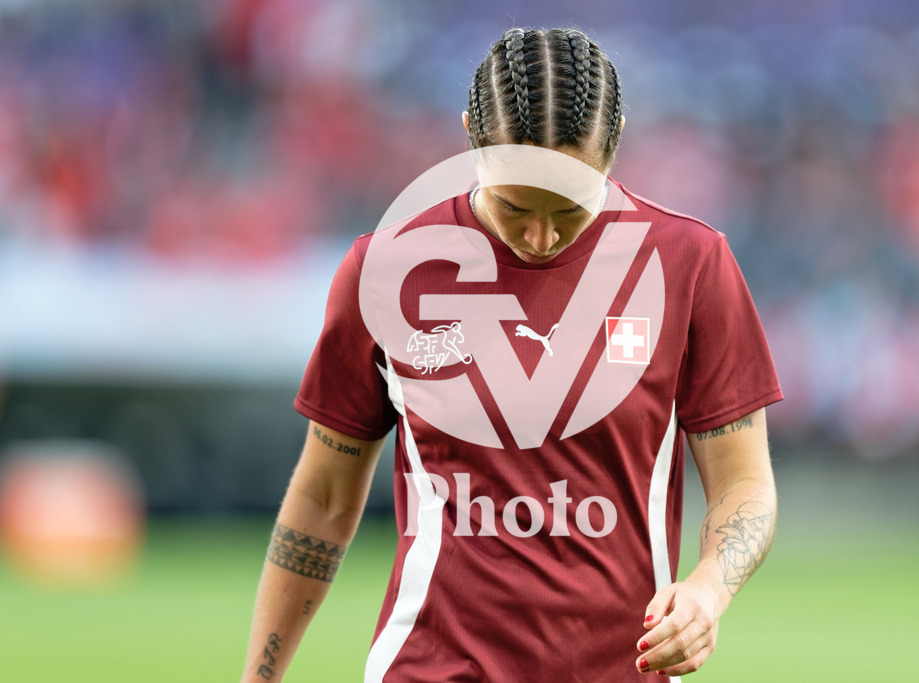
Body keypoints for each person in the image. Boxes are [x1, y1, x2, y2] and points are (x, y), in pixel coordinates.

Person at [242, 27, 782, 682]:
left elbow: (745, 485)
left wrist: (708, 589)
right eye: (514, 206)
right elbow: (324, 497)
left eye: (570, 211)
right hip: (430, 669)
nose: (540, 237)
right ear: (471, 135)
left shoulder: (690, 266)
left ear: (614, 145)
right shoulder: (386, 272)